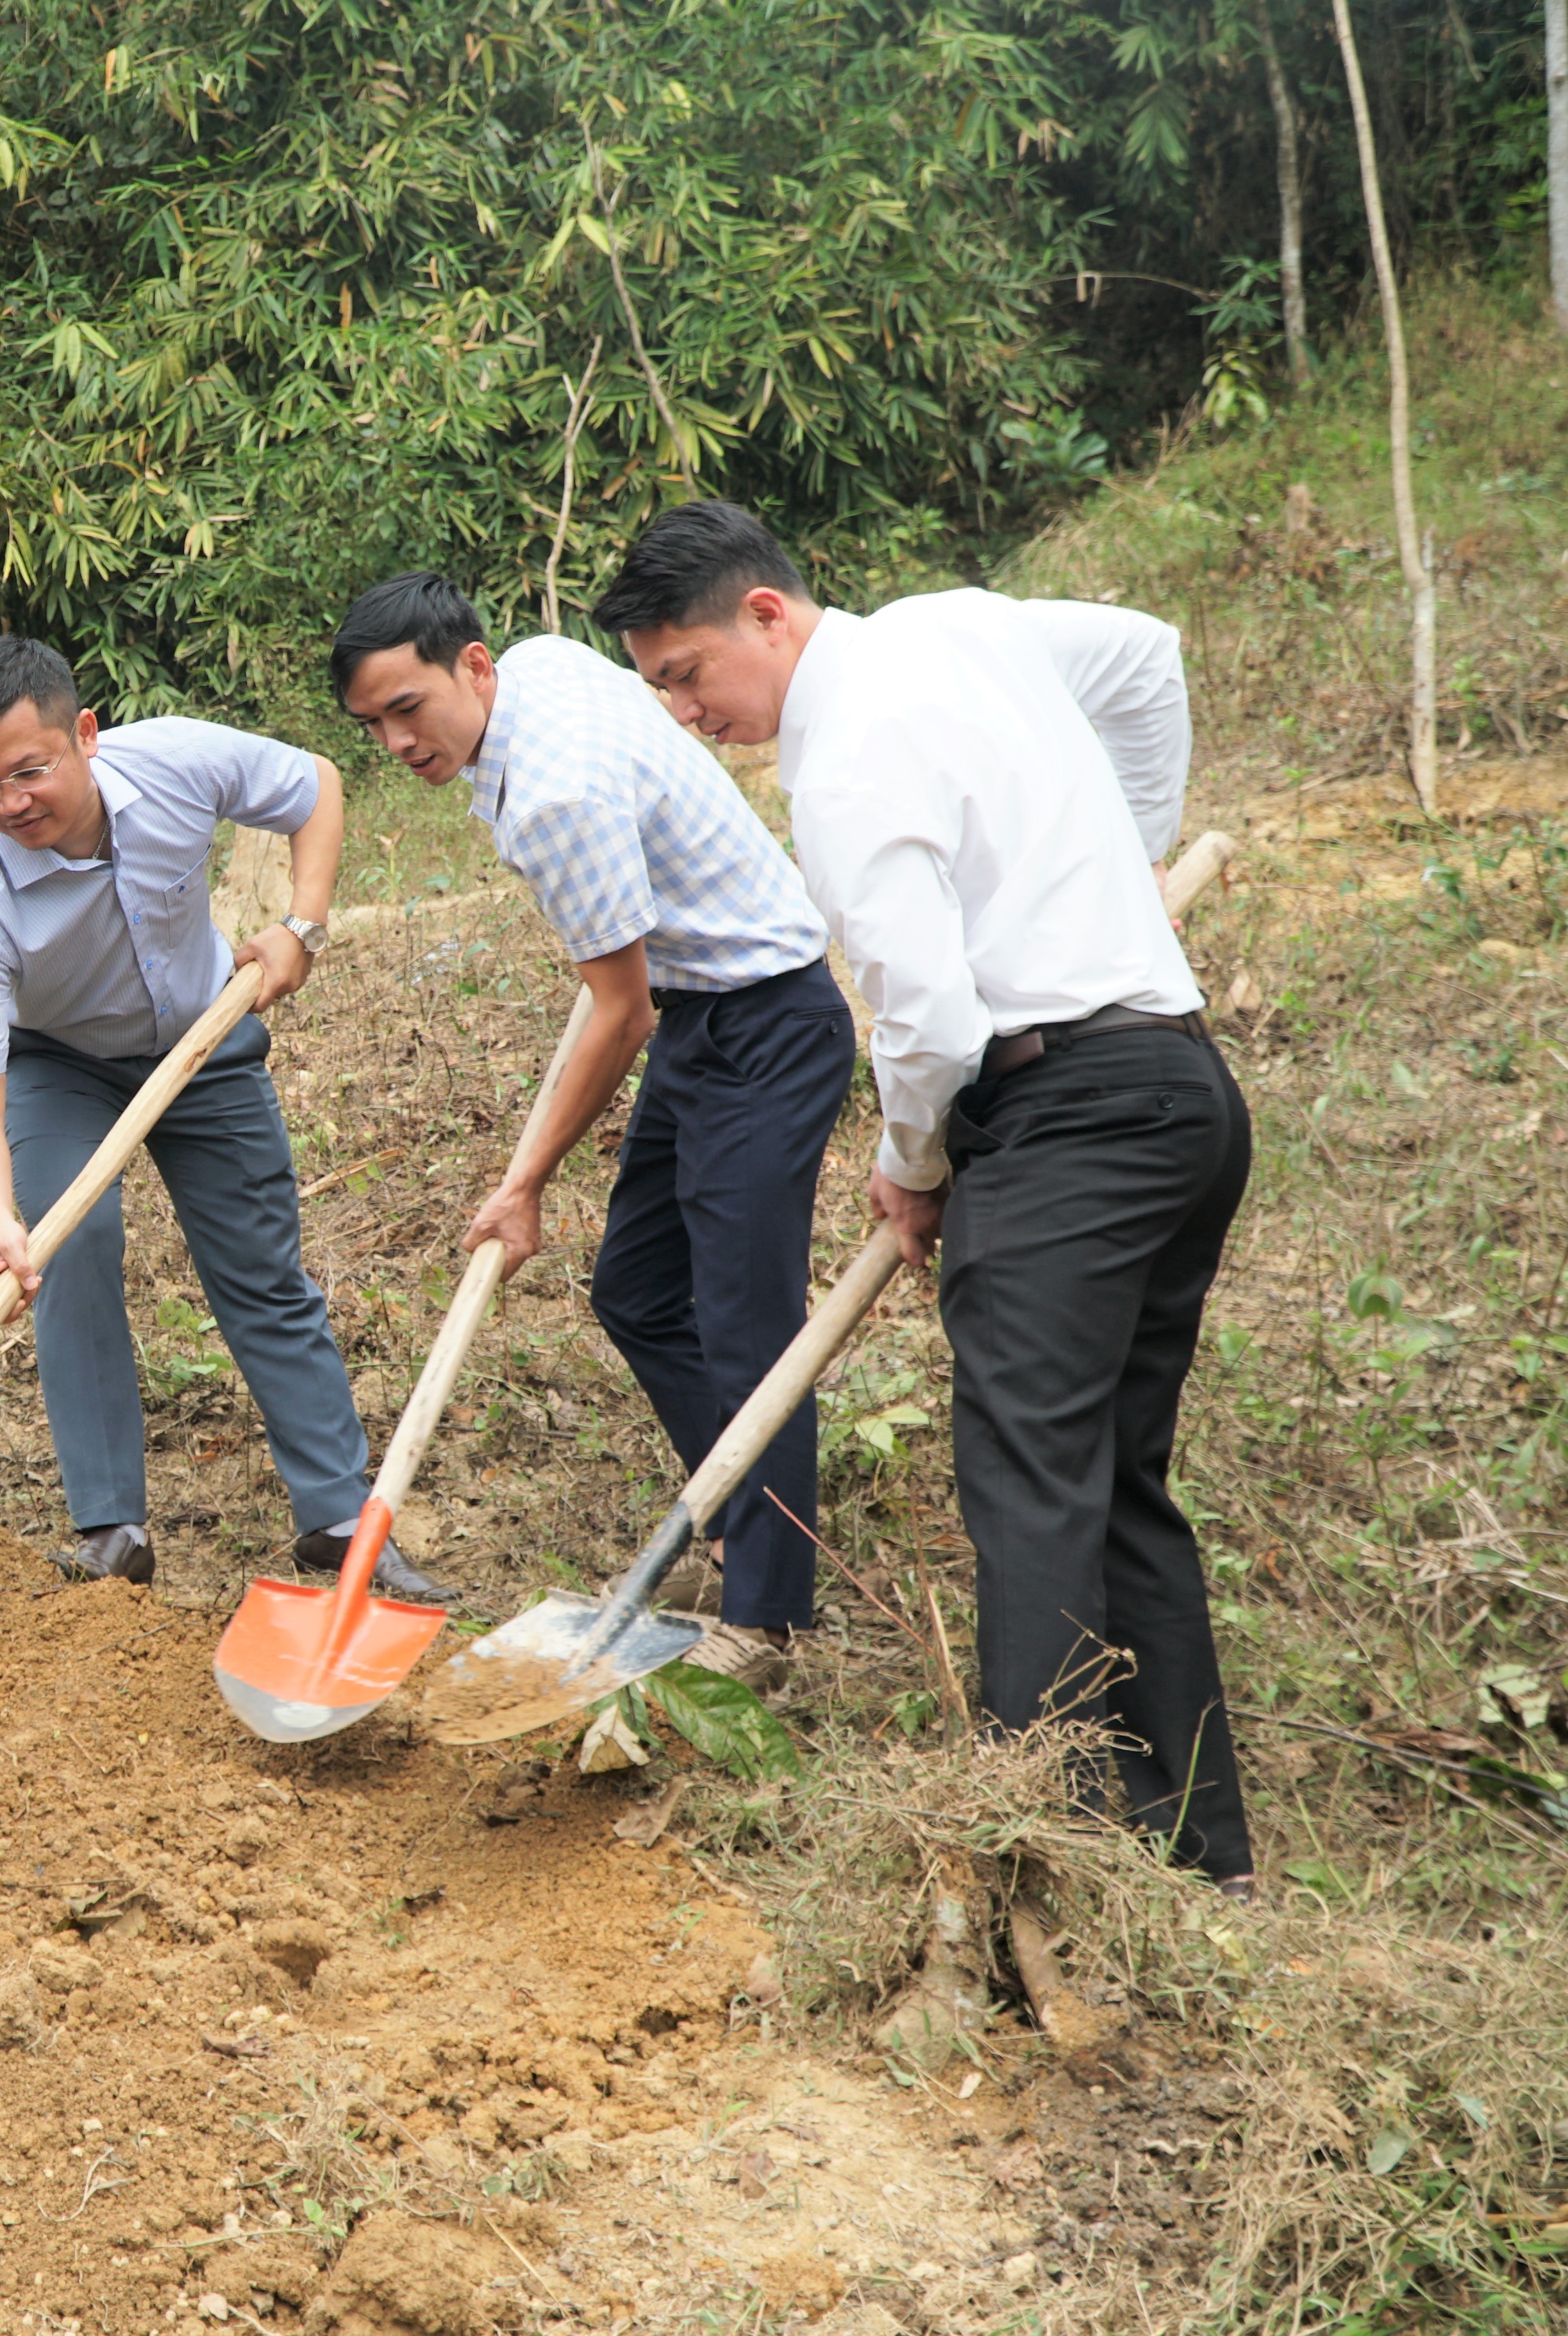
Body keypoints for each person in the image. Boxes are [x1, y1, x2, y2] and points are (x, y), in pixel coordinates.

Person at [590, 499, 1252, 1894]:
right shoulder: (960, 623)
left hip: (1065, 1122)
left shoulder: (841, 762)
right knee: (1116, 1485)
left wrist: (911, 1163)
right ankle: (1193, 1862)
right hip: (1182, 1099)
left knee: (1031, 1490)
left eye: (689, 674)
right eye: (659, 688)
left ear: (767, 614)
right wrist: (1128, 869)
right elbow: (1146, 656)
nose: (687, 710)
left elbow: (931, 1017)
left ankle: (1037, 1867)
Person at [329, 574, 850, 1690]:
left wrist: (522, 1183)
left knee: (747, 1321)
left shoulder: (555, 796)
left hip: (766, 1020)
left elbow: (621, 1011)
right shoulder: (545, 667)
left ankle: (765, 1612)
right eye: (372, 724)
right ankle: (736, 1519)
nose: (395, 742)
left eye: (408, 707)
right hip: (706, 1010)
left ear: (472, 666)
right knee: (637, 1289)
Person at [0, 634, 424, 1597]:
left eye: (30, 771)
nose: (11, 803)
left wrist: (303, 924)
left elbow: (315, 782)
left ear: (85, 735)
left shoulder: (177, 761)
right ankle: (113, 1534)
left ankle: (335, 1519)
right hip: (60, 1066)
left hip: (207, 1042)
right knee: (68, 1252)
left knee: (261, 1269)